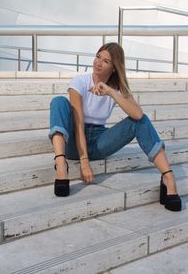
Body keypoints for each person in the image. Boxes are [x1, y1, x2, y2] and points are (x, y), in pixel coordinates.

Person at [49, 42, 181, 212]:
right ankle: (60, 164)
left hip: (99, 142)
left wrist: (111, 92)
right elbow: (79, 124)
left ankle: (168, 178)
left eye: (106, 61)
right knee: (59, 102)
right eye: (98, 57)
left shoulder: (116, 87)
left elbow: (138, 115)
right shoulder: (79, 82)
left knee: (139, 120)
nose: (98, 62)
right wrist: (84, 162)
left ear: (114, 67)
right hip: (74, 141)